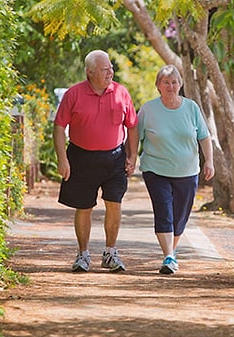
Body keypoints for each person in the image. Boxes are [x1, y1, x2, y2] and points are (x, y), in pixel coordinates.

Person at [53, 50, 139, 273]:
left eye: (111, 67)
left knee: (114, 203)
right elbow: (59, 127)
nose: (110, 72)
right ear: (89, 72)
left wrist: (132, 156)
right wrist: (63, 159)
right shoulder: (74, 94)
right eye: (104, 69)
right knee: (84, 207)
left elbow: (132, 125)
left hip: (115, 158)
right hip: (81, 157)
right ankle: (83, 254)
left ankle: (110, 253)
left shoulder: (121, 92)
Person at [137, 65, 214, 274]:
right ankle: (168, 256)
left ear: (180, 84)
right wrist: (130, 158)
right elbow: (135, 135)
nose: (170, 86)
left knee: (181, 216)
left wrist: (209, 161)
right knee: (164, 211)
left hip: (187, 171)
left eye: (174, 82)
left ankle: (171, 251)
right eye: (166, 82)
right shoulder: (148, 109)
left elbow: (204, 136)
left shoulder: (191, 108)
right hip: (155, 169)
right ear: (158, 86)